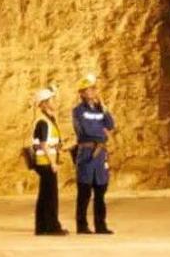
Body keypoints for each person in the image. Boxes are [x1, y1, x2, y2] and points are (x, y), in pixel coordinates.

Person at [71, 74, 115, 235]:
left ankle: (101, 225)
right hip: (88, 153)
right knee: (84, 191)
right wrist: (99, 132)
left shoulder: (99, 109)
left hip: (100, 154)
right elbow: (86, 129)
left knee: (100, 191)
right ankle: (82, 226)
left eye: (94, 89)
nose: (93, 91)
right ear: (82, 93)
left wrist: (105, 109)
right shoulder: (78, 111)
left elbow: (110, 125)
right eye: (89, 89)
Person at [31, 87, 67, 236]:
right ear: (44, 103)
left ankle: (42, 227)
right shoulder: (43, 121)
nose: (54, 102)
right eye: (52, 99)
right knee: (51, 196)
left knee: (45, 195)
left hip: (45, 161)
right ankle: (52, 227)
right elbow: (44, 144)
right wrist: (53, 163)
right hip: (45, 162)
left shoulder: (48, 119)